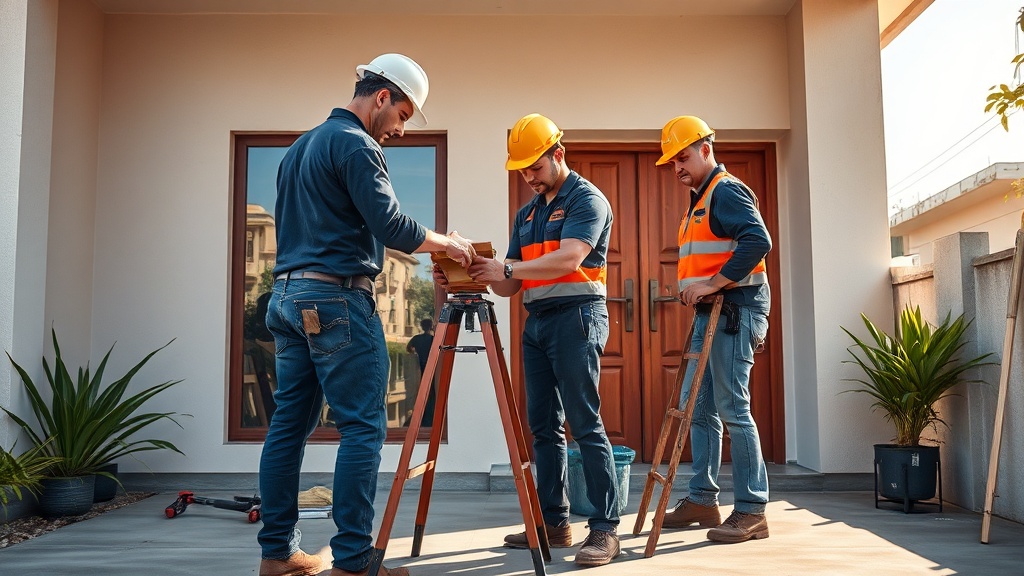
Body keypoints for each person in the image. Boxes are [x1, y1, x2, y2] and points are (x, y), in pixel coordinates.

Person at [257, 53, 474, 576]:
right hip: (336, 299)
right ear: (381, 97)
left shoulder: (299, 148)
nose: (400, 129)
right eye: (402, 115)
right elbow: (391, 225)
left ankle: (278, 554)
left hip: (286, 297)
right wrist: (449, 244)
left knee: (287, 427)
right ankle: (353, 562)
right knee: (361, 428)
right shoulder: (357, 144)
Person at [462, 113, 620, 567]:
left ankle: (605, 529)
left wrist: (508, 268)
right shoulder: (527, 214)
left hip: (578, 318)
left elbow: (569, 258)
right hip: (537, 323)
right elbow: (510, 286)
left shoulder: (588, 200)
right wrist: (479, 270)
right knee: (544, 427)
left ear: (558, 154)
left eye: (535, 167)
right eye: (522, 170)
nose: (529, 177)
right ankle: (554, 522)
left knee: (584, 424)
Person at [655, 116, 773, 544]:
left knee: (732, 408)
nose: (677, 167)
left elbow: (758, 241)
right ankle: (703, 500)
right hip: (712, 312)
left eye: (683, 157)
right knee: (698, 406)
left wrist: (713, 283)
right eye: (672, 162)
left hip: (736, 309)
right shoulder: (700, 198)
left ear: (706, 149)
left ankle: (752, 510)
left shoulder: (726, 190)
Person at [405, 318, 436, 426]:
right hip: (432, 367)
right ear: (431, 326)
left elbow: (409, 348)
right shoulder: (433, 339)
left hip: (419, 367)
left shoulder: (416, 338)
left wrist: (415, 353)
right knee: (431, 391)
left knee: (421, 390)